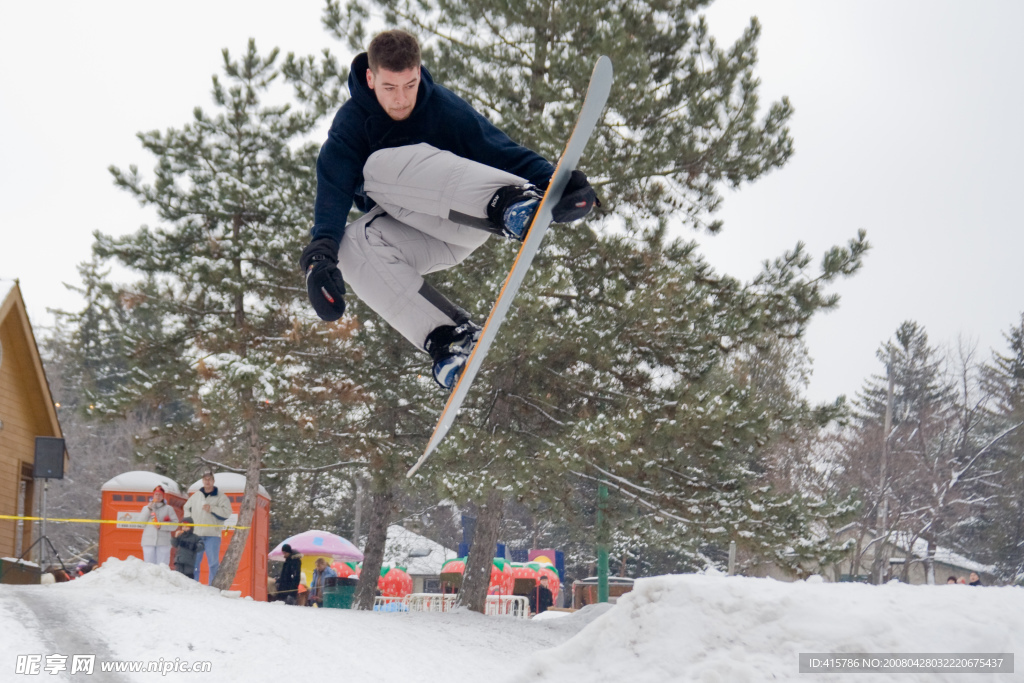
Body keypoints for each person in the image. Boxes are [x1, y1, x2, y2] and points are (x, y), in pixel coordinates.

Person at [300, 29, 599, 389]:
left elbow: (500, 149)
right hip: (426, 235)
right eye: (390, 88)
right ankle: (449, 337)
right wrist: (320, 260)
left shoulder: (440, 106)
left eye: (409, 85)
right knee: (350, 247)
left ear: (419, 72)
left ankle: (511, 205)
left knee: (378, 167)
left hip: (472, 215)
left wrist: (558, 183)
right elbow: (332, 193)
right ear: (370, 78)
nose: (401, 99)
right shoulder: (350, 127)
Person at [183, 471, 232, 584]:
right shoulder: (196, 496)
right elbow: (186, 507)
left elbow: (227, 513)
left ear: (213, 481)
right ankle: (193, 585)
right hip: (197, 534)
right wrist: (188, 522)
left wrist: (212, 509)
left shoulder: (221, 497)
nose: (207, 481)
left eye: (209, 479)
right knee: (195, 562)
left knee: (213, 563)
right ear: (202, 481)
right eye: (205, 479)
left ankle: (213, 586)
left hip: (212, 535)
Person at [136, 485, 179, 566]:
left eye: (160, 495)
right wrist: (148, 509)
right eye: (156, 494)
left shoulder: (168, 509)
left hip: (163, 542)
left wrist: (161, 526)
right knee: (149, 566)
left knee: (162, 566)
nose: (158, 496)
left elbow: (175, 524)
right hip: (148, 541)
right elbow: (140, 523)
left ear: (163, 497)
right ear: (153, 495)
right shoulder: (146, 508)